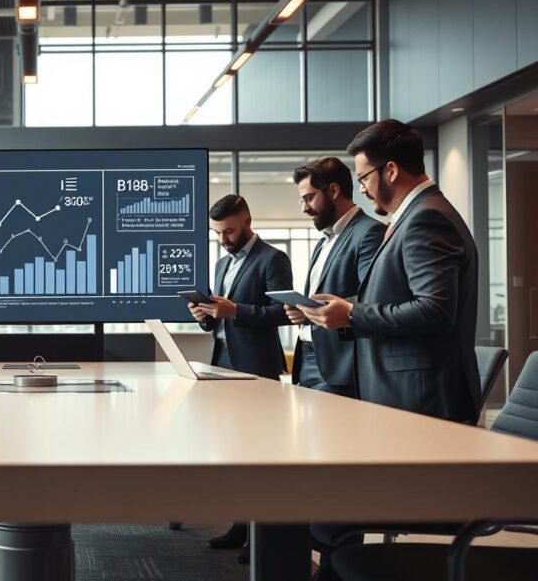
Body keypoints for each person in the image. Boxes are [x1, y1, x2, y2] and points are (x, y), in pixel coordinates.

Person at [298, 120, 480, 580]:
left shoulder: (426, 218)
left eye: (363, 177)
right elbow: (406, 298)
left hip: (418, 407)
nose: (362, 188)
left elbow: (435, 311)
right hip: (403, 400)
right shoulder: (416, 217)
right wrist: (349, 306)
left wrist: (353, 316)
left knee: (327, 504)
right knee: (325, 503)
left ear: (391, 170)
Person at [189, 194, 293, 562]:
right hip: (222, 363)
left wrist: (236, 310)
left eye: (229, 230)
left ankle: (259, 535)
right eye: (218, 232)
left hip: (255, 366)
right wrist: (205, 315)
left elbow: (283, 312)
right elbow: (218, 320)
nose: (223, 238)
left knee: (257, 452)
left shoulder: (273, 258)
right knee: (233, 449)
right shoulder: (221, 263)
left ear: (247, 220)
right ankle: (239, 524)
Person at [285, 158, 385, 397]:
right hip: (308, 358)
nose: (304, 208)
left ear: (333, 191)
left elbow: (374, 297)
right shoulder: (323, 241)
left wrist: (319, 308)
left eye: (309, 198)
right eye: (302, 200)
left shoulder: (369, 232)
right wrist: (306, 311)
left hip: (340, 366)